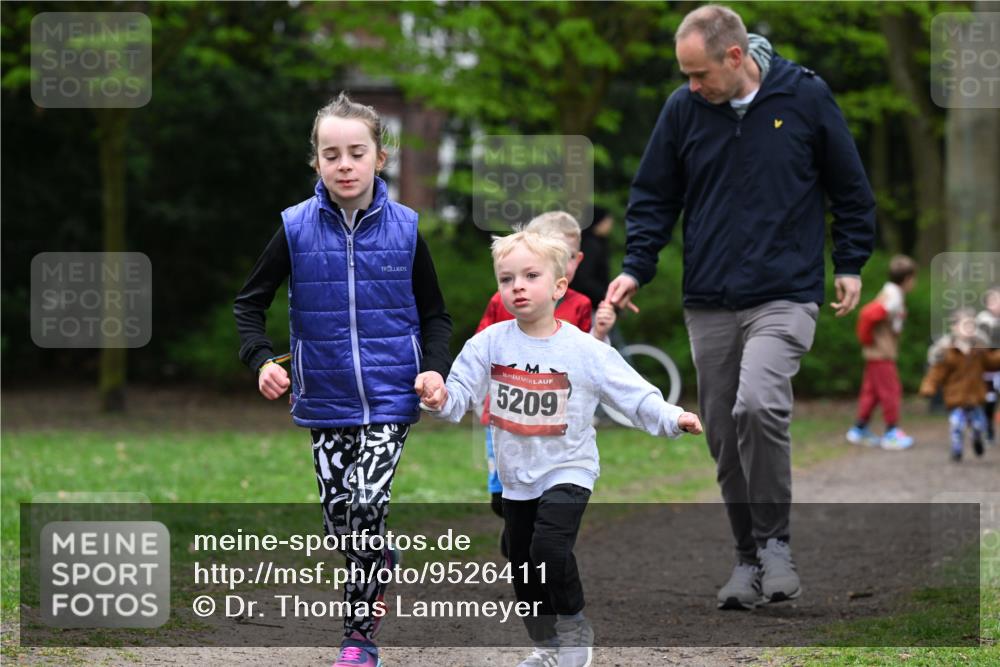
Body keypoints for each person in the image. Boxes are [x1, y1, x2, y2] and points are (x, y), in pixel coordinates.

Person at [605, 5, 875, 611]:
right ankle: (748, 559)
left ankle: (776, 544)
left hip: (784, 291)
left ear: (735, 57)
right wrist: (633, 268)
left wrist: (851, 262)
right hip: (710, 298)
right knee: (723, 432)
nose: (691, 85)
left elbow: (850, 187)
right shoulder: (684, 111)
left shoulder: (803, 97)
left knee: (758, 403)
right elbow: (653, 197)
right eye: (685, 75)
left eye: (699, 73)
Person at [233, 92, 452, 667]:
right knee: (340, 520)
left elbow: (435, 314)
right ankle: (378, 560)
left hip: (390, 395)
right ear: (317, 163)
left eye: (357, 152)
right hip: (324, 398)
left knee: (365, 500)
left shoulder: (405, 229)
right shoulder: (295, 228)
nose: (345, 164)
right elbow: (249, 305)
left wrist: (432, 368)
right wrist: (261, 363)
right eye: (332, 154)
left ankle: (359, 639)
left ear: (381, 157)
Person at [419, 230, 702, 667]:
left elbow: (633, 394)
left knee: (548, 550)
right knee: (521, 565)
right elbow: (456, 397)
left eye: (531, 276)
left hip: (569, 468)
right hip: (516, 478)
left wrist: (672, 418)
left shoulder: (584, 349)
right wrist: (438, 399)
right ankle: (546, 647)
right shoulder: (489, 344)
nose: (517, 286)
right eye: (507, 278)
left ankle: (573, 632)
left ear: (559, 287)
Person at [476, 211, 616, 524]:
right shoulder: (505, 301)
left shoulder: (579, 304)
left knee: (548, 495)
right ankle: (518, 533)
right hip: (504, 415)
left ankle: (543, 541)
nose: (558, 263)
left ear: (576, 260)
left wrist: (600, 333)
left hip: (555, 417)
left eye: (565, 256)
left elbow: (587, 358)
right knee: (504, 499)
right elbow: (480, 351)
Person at [847, 255, 918, 450]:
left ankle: (859, 429)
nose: (914, 283)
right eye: (913, 279)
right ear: (907, 279)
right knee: (891, 391)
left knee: (872, 392)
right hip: (881, 354)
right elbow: (868, 314)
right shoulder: (893, 296)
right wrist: (867, 340)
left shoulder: (892, 292)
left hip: (877, 354)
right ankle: (892, 432)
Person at [920, 309, 1000, 461]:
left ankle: (977, 440)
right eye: (965, 325)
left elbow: (992, 362)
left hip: (976, 396)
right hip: (956, 397)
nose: (969, 329)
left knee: (979, 425)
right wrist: (928, 386)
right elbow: (936, 373)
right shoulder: (948, 352)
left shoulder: (979, 350)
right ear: (954, 327)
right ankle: (957, 449)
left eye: (972, 326)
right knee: (957, 425)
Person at [569, 206, 614, 310]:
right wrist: (604, 296)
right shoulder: (590, 245)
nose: (610, 224)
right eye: (607, 221)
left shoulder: (597, 242)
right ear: (599, 222)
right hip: (589, 303)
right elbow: (584, 278)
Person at [976, 287, 1000, 446]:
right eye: (994, 301)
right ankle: (988, 428)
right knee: (989, 399)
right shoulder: (983, 321)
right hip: (989, 369)